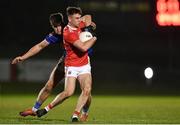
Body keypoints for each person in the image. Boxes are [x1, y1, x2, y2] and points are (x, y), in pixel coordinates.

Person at [36, 7, 97, 122]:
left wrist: (88, 27)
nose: (80, 20)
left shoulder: (78, 24)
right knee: (68, 92)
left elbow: (88, 16)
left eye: (79, 17)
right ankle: (46, 108)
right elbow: (84, 47)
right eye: (77, 18)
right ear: (69, 19)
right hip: (72, 65)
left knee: (87, 90)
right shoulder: (67, 32)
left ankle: (76, 114)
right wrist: (93, 38)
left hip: (84, 63)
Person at [11, 12, 65, 116]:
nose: (58, 29)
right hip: (66, 60)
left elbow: (86, 17)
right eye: (55, 26)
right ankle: (34, 109)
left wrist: (89, 24)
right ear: (52, 26)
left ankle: (84, 112)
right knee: (49, 86)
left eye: (59, 25)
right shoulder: (55, 35)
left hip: (81, 61)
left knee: (85, 89)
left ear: (62, 23)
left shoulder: (70, 27)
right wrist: (23, 57)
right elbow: (39, 46)